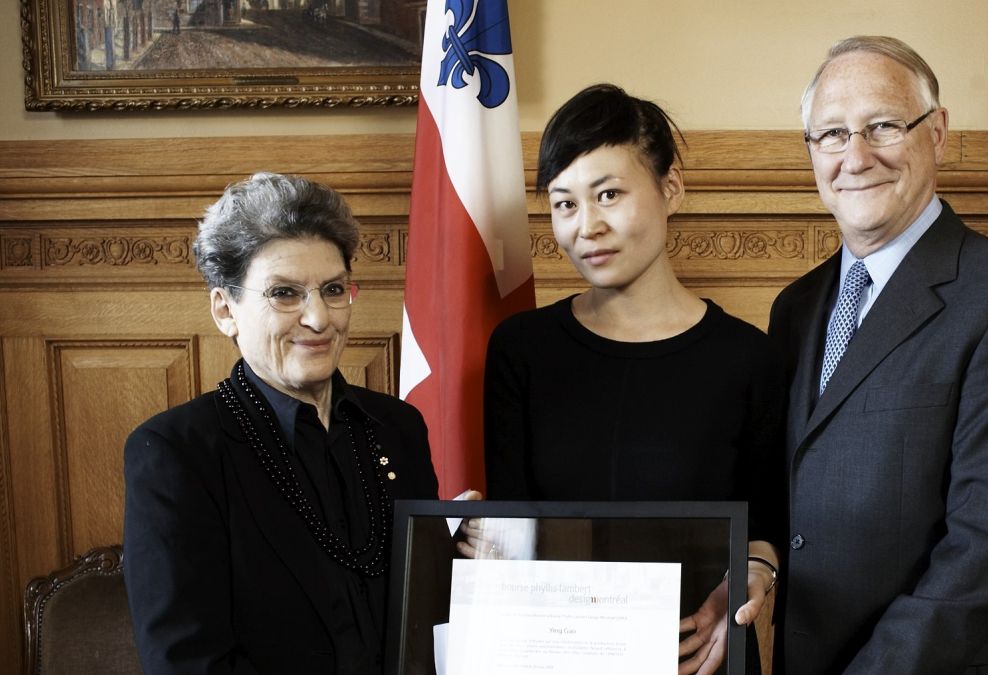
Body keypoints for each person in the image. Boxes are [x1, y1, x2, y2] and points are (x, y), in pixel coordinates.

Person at [768, 36, 988, 674]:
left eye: (882, 126)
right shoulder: (795, 308)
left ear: (937, 133)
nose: (854, 157)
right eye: (831, 133)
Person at [483, 83, 787, 675]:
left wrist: (754, 573)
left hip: (697, 655)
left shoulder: (751, 358)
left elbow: (769, 524)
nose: (586, 226)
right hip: (551, 653)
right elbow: (513, 526)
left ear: (670, 188)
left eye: (609, 194)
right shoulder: (521, 349)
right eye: (565, 203)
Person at [124, 172, 442, 674]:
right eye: (285, 293)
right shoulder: (175, 452)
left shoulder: (399, 428)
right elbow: (186, 663)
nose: (319, 318)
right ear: (225, 309)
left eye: (333, 289)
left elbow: (424, 620)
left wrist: (454, 551)